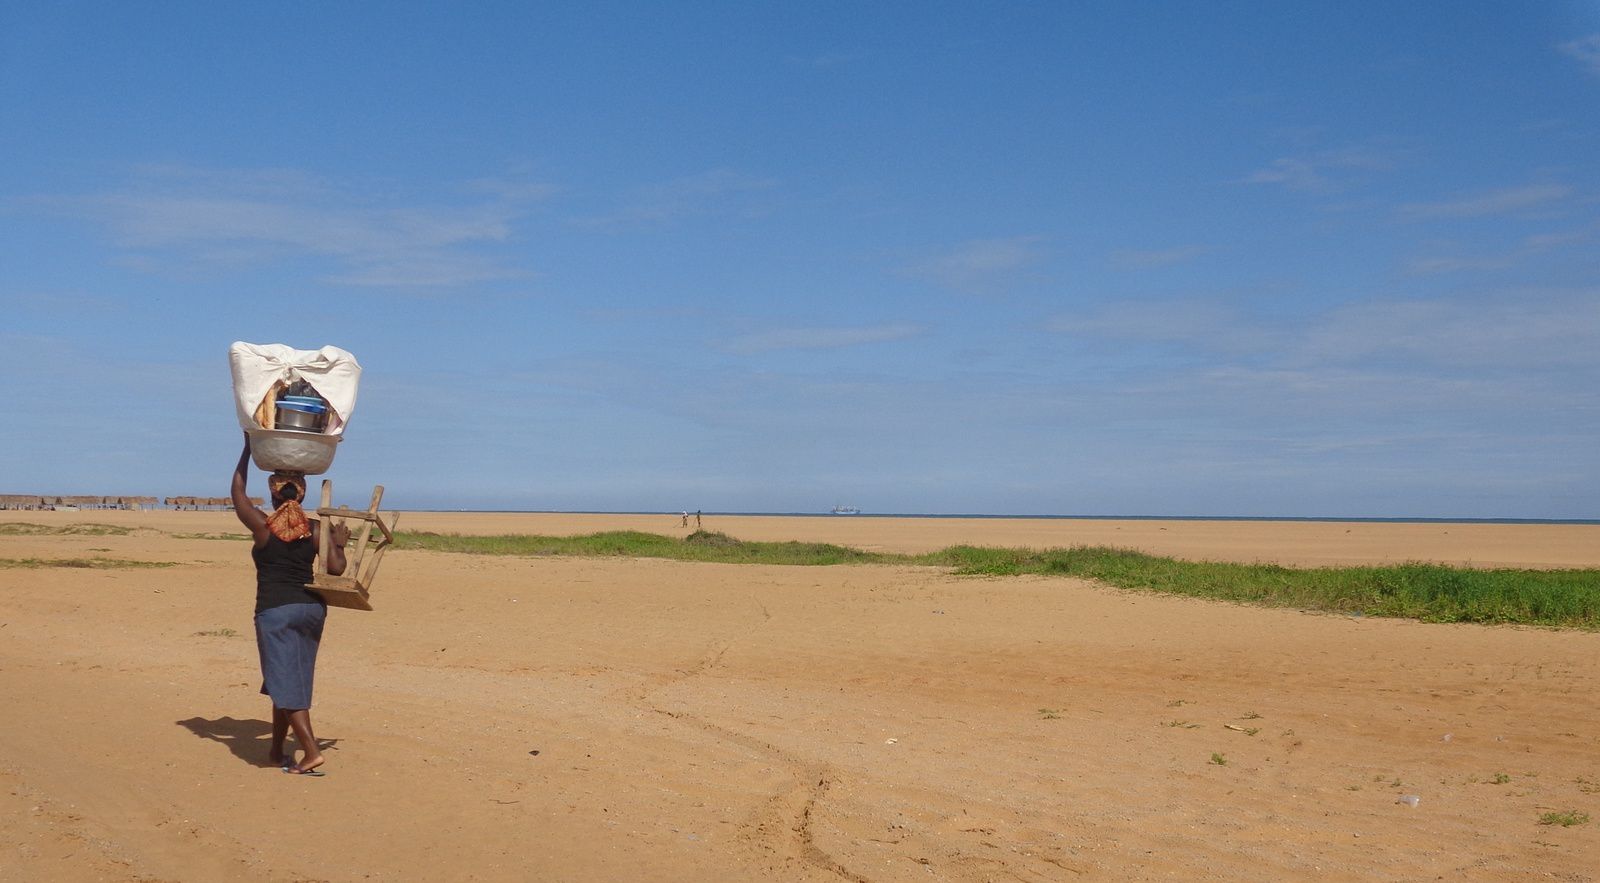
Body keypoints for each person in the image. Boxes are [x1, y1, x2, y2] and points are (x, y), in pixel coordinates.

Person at [231, 434, 349, 775]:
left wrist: (246, 449)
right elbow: (337, 569)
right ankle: (275, 749)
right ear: (302, 492)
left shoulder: (263, 528)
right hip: (311, 611)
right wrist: (338, 544)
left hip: (275, 612)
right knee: (289, 677)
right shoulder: (313, 529)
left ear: (272, 490)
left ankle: (311, 752)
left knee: (285, 680)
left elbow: (237, 494)